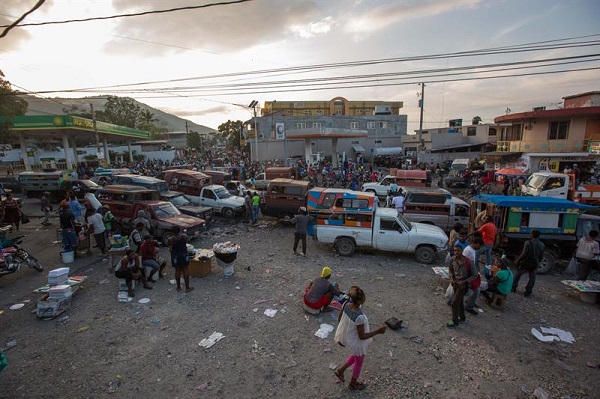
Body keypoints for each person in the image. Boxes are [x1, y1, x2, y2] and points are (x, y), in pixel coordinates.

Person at [333, 286, 386, 391]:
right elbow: (362, 336)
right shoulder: (360, 317)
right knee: (359, 361)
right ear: (361, 300)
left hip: (349, 337)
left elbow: (340, 319)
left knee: (356, 356)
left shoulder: (345, 305)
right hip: (356, 340)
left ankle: (340, 371)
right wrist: (378, 331)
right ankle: (353, 383)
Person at [447, 244, 477, 328]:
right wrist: (452, 279)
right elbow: (450, 270)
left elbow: (475, 275)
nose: (456, 252)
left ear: (462, 251)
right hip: (455, 284)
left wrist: (465, 281)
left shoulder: (468, 262)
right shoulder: (452, 259)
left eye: (458, 251)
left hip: (463, 286)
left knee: (454, 303)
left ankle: (455, 321)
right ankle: (462, 317)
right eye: (454, 250)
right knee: (459, 302)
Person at [512, 230, 545, 297]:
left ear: (532, 235)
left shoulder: (528, 243)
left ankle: (513, 288)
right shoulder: (542, 245)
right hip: (535, 263)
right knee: (532, 278)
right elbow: (541, 256)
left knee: (517, 275)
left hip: (525, 262)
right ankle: (528, 292)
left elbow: (524, 253)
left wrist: (517, 260)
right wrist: (538, 263)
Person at [168, 226, 194, 293]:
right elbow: (187, 241)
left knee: (177, 270)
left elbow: (170, 249)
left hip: (175, 256)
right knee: (185, 269)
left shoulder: (170, 239)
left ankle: (178, 287)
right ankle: (187, 287)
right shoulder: (184, 236)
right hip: (184, 255)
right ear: (179, 230)